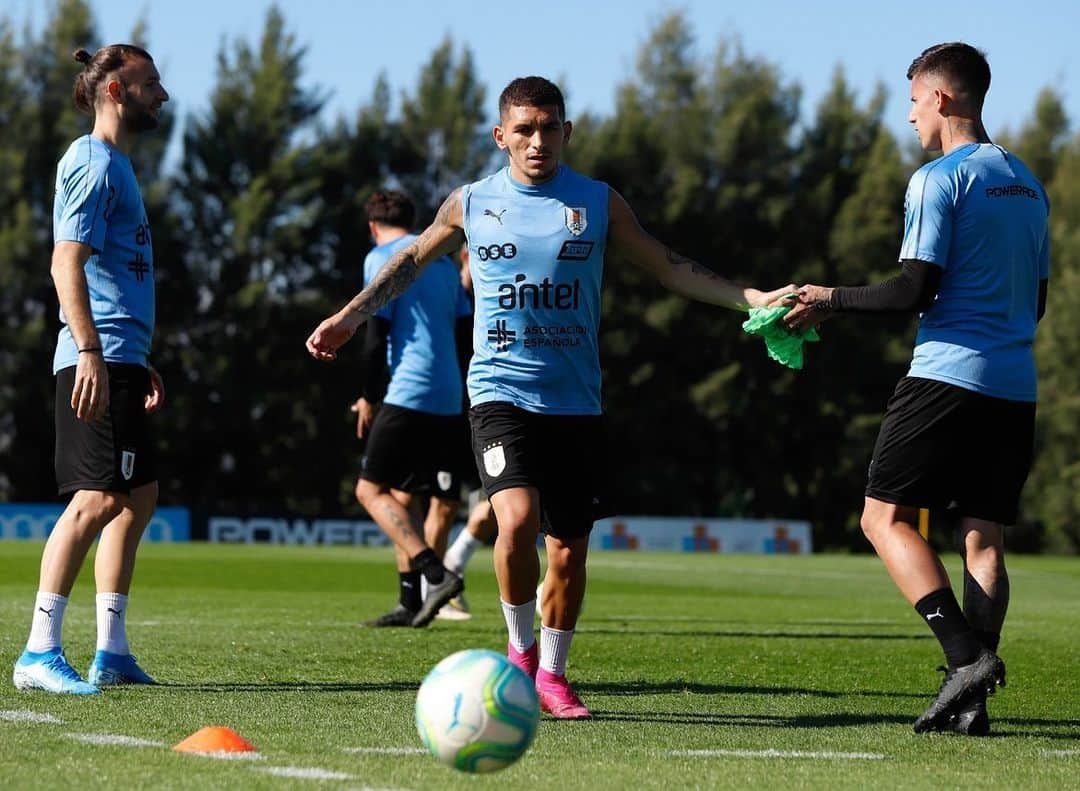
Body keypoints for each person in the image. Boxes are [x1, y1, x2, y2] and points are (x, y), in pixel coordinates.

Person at [307, 76, 792, 718]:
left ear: (568, 131)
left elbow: (668, 264)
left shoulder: (596, 202)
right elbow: (411, 262)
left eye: (549, 128)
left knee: (569, 548)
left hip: (575, 402)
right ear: (500, 135)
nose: (538, 141)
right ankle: (519, 653)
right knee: (514, 521)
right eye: (525, 129)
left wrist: (751, 298)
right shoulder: (472, 202)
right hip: (499, 391)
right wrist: (350, 317)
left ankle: (554, 676)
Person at [783, 43, 1049, 735]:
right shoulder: (1027, 183)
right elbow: (1037, 300)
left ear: (941, 98)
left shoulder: (938, 179)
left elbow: (912, 288)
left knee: (883, 518)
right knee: (982, 538)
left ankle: (964, 659)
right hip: (1015, 384)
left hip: (945, 377)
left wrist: (828, 297)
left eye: (912, 101)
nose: (908, 117)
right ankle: (974, 704)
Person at [12, 45, 169, 695]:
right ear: (113, 89)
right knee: (99, 497)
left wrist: (136, 355)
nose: (160, 95)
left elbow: (112, 276)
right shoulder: (91, 160)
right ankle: (38, 650)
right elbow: (64, 263)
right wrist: (91, 351)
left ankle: (112, 649)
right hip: (94, 357)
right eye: (149, 84)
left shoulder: (118, 165)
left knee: (137, 497)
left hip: (121, 355)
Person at [351, 190, 473, 628]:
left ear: (372, 226)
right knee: (405, 496)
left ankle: (436, 575)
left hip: (409, 390)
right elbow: (464, 331)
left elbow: (374, 333)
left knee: (369, 490)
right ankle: (408, 602)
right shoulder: (440, 262)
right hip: (447, 393)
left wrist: (368, 395)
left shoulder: (381, 256)